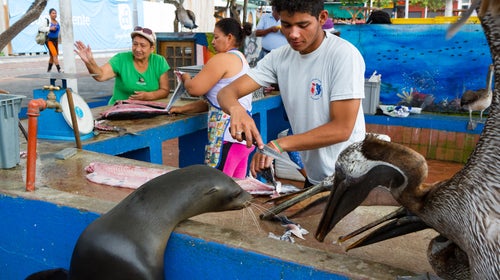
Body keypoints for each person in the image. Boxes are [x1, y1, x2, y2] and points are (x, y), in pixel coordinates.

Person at [217, 0, 366, 188]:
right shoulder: (280, 57)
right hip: (316, 177)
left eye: (303, 25)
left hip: (351, 179)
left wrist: (278, 145)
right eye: (286, 25)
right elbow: (226, 92)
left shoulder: (343, 55)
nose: (293, 34)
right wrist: (236, 109)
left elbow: (342, 129)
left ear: (322, 18)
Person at [168, 18, 254, 179]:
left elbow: (194, 89)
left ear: (229, 37)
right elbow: (215, 103)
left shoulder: (223, 59)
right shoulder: (240, 59)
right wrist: (181, 109)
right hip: (242, 140)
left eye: (216, 37)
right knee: (235, 191)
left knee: (217, 188)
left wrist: (185, 78)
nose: (213, 42)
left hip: (227, 139)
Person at [74, 26, 170, 105]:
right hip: (119, 109)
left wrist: (148, 96)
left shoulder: (159, 61)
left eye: (143, 45)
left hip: (147, 108)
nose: (137, 49)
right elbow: (100, 76)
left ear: (152, 48)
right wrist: (89, 61)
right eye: (135, 44)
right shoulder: (121, 59)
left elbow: (165, 90)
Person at [39, 8, 62, 73]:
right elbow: (40, 28)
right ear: (50, 14)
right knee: (54, 54)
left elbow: (58, 32)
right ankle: (59, 69)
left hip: (56, 40)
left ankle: (48, 70)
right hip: (49, 40)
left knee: (53, 56)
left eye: (55, 13)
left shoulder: (57, 22)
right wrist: (50, 28)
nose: (54, 14)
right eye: (53, 13)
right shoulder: (47, 21)